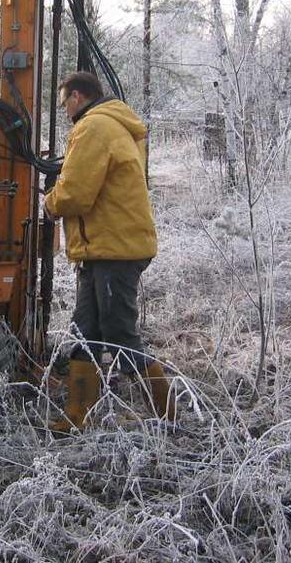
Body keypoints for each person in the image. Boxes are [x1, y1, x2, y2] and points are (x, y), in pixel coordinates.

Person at [43, 71, 175, 432]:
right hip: (105, 249)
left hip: (114, 251)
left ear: (78, 97)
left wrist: (49, 203)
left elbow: (75, 193)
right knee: (84, 331)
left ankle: (170, 418)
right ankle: (76, 417)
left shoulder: (94, 127)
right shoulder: (113, 124)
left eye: (64, 100)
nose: (63, 108)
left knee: (119, 336)